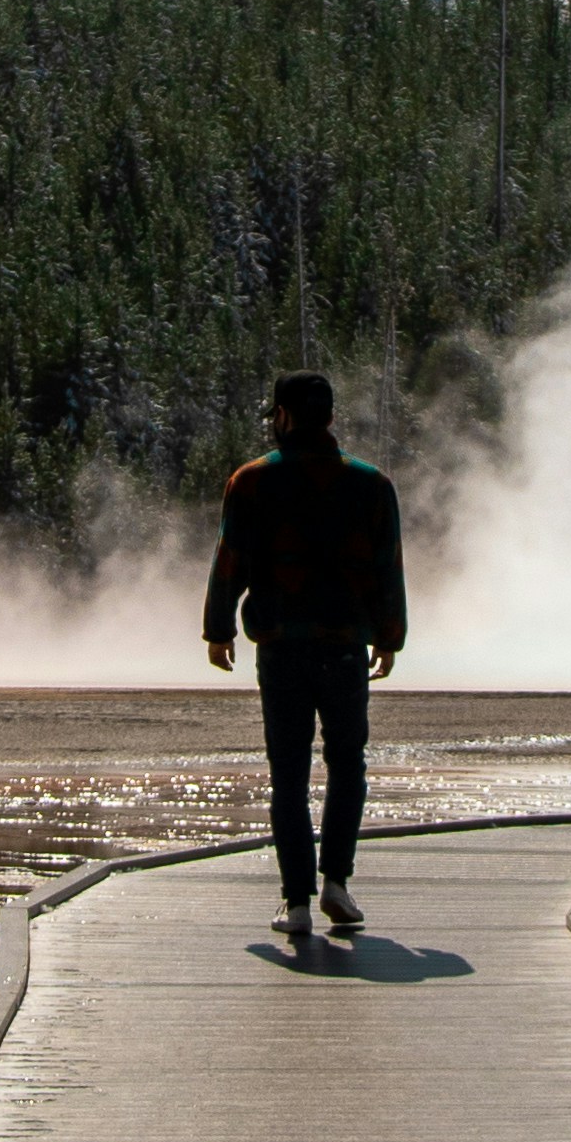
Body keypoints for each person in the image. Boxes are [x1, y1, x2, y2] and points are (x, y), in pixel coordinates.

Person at [203, 369, 407, 949]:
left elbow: (230, 561)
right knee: (347, 763)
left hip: (282, 646)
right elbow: (387, 567)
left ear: (284, 417)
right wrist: (389, 637)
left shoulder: (252, 482)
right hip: (344, 645)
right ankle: (336, 883)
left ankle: (295, 902)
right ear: (331, 418)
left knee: (288, 771)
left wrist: (218, 630)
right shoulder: (371, 486)